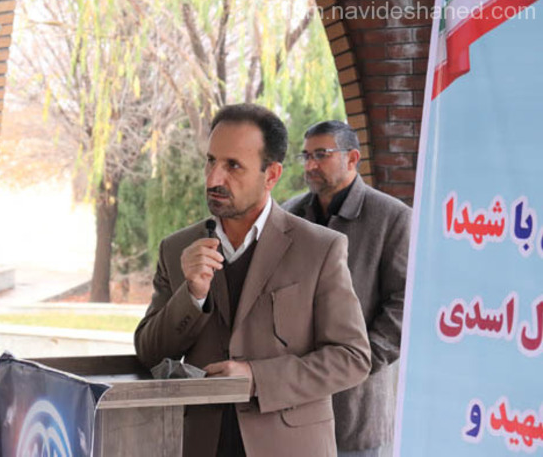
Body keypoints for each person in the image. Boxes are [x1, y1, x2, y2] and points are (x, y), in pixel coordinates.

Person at [134, 104, 371, 457]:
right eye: (211, 161)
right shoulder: (177, 249)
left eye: (233, 166)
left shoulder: (320, 249)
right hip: (200, 444)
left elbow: (352, 358)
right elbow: (150, 353)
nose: (213, 179)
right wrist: (193, 294)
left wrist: (257, 378)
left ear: (271, 175)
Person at [282, 120, 411, 457]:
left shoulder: (392, 217)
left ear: (352, 158)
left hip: (357, 406)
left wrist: (359, 362)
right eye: (306, 155)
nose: (310, 165)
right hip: (291, 402)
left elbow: (404, 304)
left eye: (321, 155)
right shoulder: (288, 215)